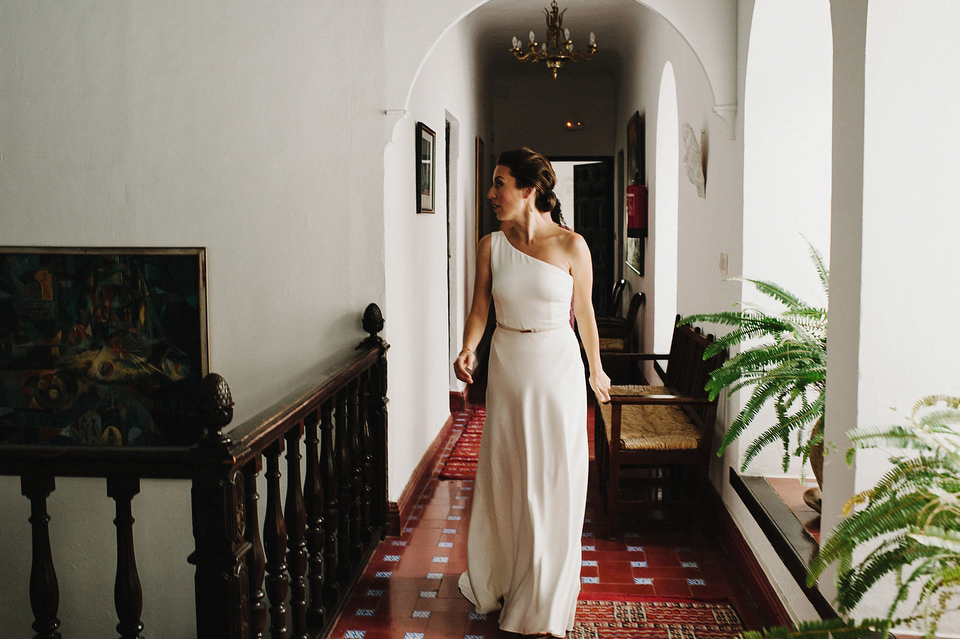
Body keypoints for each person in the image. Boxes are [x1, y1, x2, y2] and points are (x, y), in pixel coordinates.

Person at [454, 148, 611, 638]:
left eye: (499, 184)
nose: (491, 194)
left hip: (556, 368)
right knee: (508, 477)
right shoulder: (489, 246)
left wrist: (597, 369)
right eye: (492, 184)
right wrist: (468, 348)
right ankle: (503, 573)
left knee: (552, 476)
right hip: (506, 365)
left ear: (528, 190)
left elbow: (584, 314)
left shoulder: (572, 245)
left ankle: (545, 592)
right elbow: (481, 307)